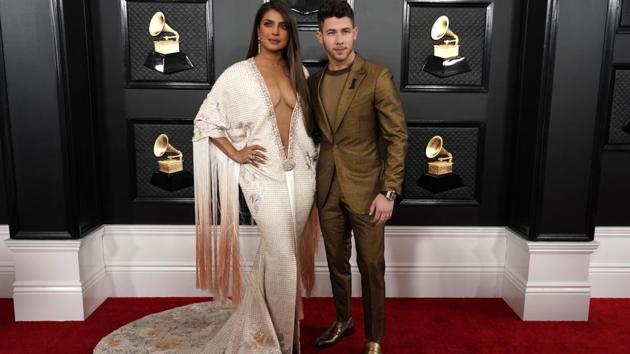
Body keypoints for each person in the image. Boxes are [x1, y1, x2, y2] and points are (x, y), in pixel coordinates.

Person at [192, 1, 320, 352]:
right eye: (268, 24)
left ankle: (263, 330)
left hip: (303, 175)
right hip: (262, 177)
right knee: (282, 254)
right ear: (258, 30)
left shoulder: (300, 74)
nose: (276, 31)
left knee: (281, 251)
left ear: (290, 33)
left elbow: (312, 129)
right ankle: (280, 343)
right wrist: (235, 153)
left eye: (282, 26)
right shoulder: (238, 74)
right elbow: (205, 120)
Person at [307, 1, 408, 353]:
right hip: (328, 188)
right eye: (331, 32)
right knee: (336, 263)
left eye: (345, 31)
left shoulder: (376, 76)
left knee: (370, 266)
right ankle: (342, 321)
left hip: (368, 191)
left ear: (355, 33)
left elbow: (397, 136)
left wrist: (389, 191)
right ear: (320, 37)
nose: (339, 40)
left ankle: (374, 338)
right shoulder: (315, 83)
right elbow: (314, 135)